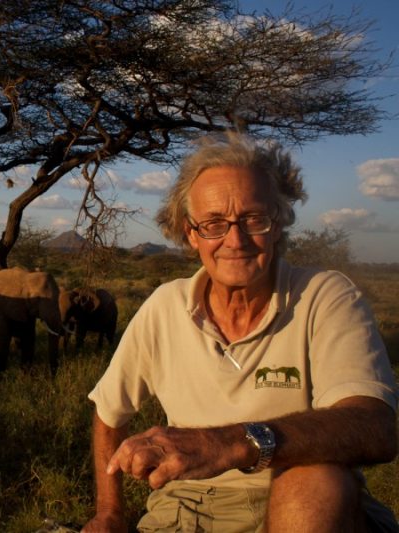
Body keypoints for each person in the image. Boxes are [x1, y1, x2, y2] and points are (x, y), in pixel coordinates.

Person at [82, 132, 398, 532]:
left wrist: (232, 443)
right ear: (190, 234)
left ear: (279, 224)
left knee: (313, 478)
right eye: (214, 224)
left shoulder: (325, 296)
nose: (235, 240)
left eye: (253, 219)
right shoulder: (164, 307)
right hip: (186, 508)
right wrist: (109, 513)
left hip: (301, 503)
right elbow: (109, 413)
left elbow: (375, 427)